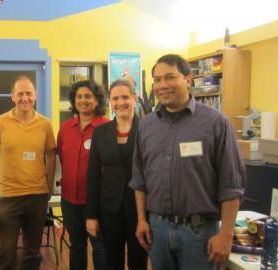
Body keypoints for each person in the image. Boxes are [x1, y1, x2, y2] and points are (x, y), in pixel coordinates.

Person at [129, 54, 245, 270]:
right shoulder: (146, 125)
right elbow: (139, 178)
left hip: (199, 233)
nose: (162, 85)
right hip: (157, 231)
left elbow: (231, 184)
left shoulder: (215, 122)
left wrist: (226, 233)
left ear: (188, 80)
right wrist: (141, 220)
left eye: (170, 77)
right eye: (157, 79)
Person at [0, 75, 56, 270]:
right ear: (12, 96)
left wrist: (49, 185)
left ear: (35, 95)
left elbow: (51, 154)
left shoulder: (45, 124)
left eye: (28, 93)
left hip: (37, 195)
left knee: (32, 252)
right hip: (8, 196)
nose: (24, 98)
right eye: (20, 94)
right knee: (7, 251)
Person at [86, 80, 148, 270]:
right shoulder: (100, 132)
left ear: (135, 99)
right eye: (115, 98)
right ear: (110, 102)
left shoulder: (148, 129)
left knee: (138, 261)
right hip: (109, 208)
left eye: (125, 97)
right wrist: (91, 215)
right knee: (112, 260)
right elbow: (93, 175)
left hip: (141, 210)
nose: (120, 102)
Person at [57, 80, 107, 270]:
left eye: (88, 96)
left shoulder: (106, 127)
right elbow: (62, 157)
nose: (83, 100)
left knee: (100, 247)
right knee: (76, 245)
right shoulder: (65, 128)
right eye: (79, 96)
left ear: (97, 100)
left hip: (97, 201)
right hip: (70, 199)